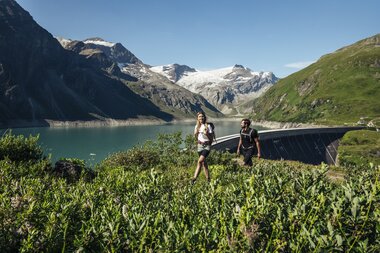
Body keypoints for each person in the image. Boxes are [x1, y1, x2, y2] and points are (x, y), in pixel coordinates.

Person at [191, 111, 214, 184]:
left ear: (205, 117)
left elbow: (211, 139)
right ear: (197, 118)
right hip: (199, 146)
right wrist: (195, 135)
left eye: (202, 116)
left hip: (207, 146)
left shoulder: (208, 126)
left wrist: (207, 134)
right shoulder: (196, 126)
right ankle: (208, 179)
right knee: (204, 163)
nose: (201, 118)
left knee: (200, 161)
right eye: (200, 116)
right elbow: (196, 137)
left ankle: (194, 178)